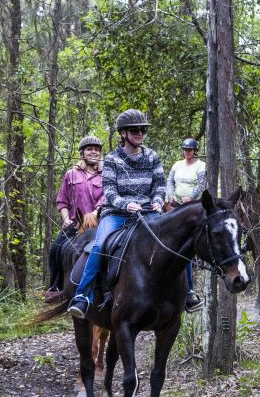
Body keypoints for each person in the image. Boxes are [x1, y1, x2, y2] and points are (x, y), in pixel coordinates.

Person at [68, 110, 201, 318]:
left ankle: (189, 292)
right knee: (100, 244)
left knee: (177, 243)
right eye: (135, 130)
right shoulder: (112, 159)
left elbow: (158, 185)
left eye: (143, 130)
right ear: (123, 133)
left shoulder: (152, 157)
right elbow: (110, 191)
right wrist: (126, 204)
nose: (140, 133)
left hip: (148, 213)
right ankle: (83, 296)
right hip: (117, 214)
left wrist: (157, 201)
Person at [45, 135, 104, 294]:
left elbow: (104, 200)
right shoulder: (71, 174)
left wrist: (93, 214)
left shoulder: (105, 175)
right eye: (89, 149)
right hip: (75, 224)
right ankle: (55, 288)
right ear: (82, 153)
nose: (93, 152)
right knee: (55, 250)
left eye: (96, 150)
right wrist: (65, 219)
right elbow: (62, 201)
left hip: (97, 223)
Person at [166, 137, 206, 208]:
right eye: (185, 150)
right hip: (176, 203)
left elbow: (201, 184)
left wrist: (191, 197)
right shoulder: (177, 164)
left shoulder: (201, 165)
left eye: (190, 150)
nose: (187, 152)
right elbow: (170, 181)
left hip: (193, 204)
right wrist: (171, 195)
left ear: (194, 151)